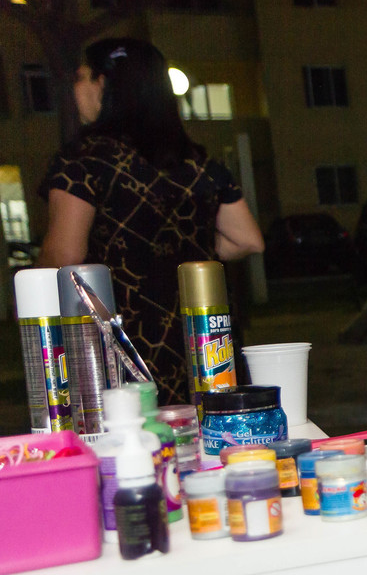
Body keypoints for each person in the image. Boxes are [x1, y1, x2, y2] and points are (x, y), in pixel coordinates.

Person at [38, 37, 264, 404]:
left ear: (103, 84)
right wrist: (175, 246)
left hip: (125, 351)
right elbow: (248, 240)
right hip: (203, 345)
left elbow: (64, 253)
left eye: (81, 77)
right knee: (215, 443)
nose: (75, 89)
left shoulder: (84, 163)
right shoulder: (197, 163)